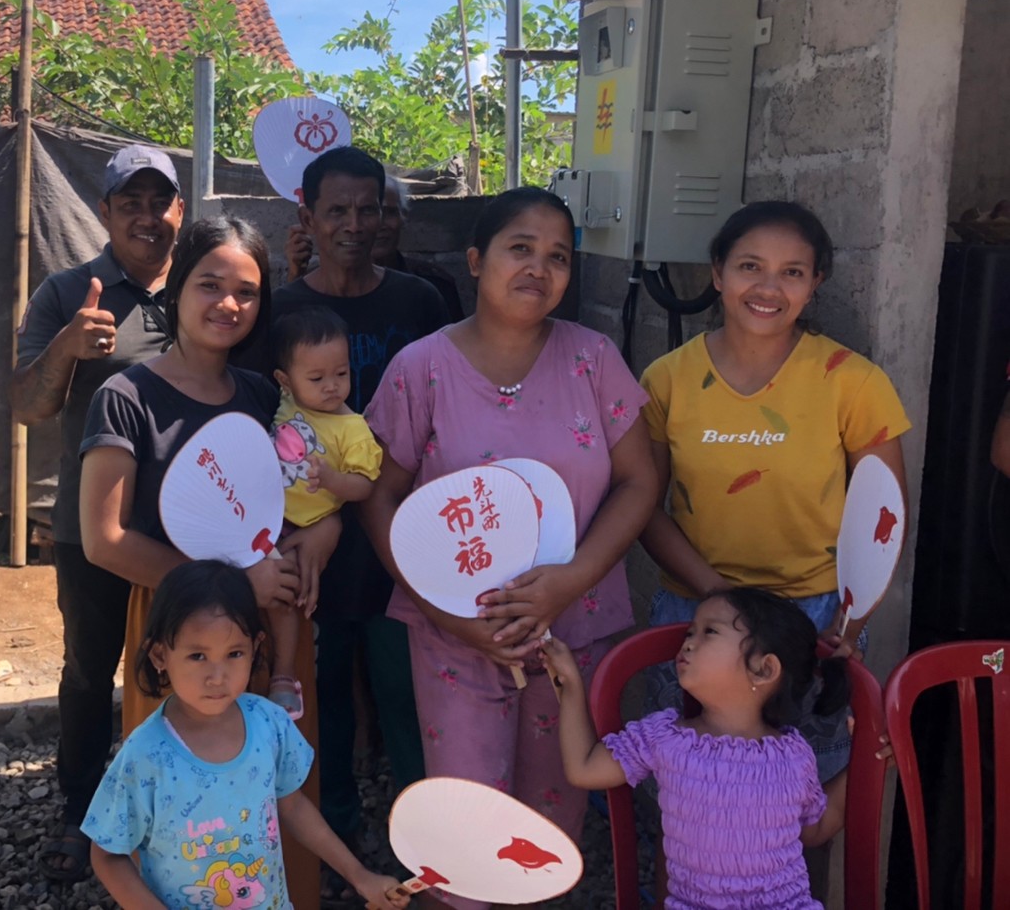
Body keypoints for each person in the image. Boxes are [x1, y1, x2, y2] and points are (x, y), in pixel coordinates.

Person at [362, 187, 657, 910]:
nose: (538, 268)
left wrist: (571, 580)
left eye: (558, 257)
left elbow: (641, 481)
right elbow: (379, 497)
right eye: (519, 248)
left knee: (548, 824)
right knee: (466, 825)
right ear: (475, 261)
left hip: (571, 630)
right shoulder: (422, 368)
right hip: (457, 637)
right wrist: (452, 616)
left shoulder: (593, 359)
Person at [79, 216, 333, 907]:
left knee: (279, 792)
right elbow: (104, 538)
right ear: (176, 289)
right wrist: (236, 584)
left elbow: (314, 494)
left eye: (247, 292)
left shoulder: (266, 397)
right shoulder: (127, 397)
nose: (229, 304)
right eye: (210, 285)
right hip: (180, 633)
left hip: (271, 632)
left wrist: (324, 535)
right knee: (181, 814)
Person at [638, 201, 910, 783]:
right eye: (750, 266)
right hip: (695, 613)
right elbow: (643, 506)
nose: (769, 288)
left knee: (803, 789)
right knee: (685, 788)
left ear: (815, 284)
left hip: (812, 617)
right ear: (717, 273)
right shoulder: (666, 380)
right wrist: (720, 598)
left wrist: (849, 625)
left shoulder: (853, 381)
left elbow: (884, 517)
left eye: (792, 272)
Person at [268, 145, 449, 856]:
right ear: (307, 216)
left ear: (386, 214)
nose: (354, 224)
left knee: (408, 694)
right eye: (336, 210)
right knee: (326, 695)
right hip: (315, 547)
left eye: (368, 209)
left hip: (402, 540)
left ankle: (425, 850)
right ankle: (336, 843)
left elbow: (444, 416)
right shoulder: (281, 311)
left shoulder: (420, 302)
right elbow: (267, 434)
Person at [11, 142, 184, 882]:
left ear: (180, 210)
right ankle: (81, 808)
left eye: (160, 201)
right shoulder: (67, 293)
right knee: (90, 669)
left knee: (191, 662)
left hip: (189, 528)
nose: (147, 216)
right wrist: (65, 349)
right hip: (95, 528)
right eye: (130, 203)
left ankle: (181, 804)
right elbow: (26, 406)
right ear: (106, 212)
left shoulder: (202, 285)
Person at [83, 560, 407, 910]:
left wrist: (360, 876)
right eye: (197, 656)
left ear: (256, 647)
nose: (217, 676)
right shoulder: (146, 754)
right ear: (160, 654)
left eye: (234, 654)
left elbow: (294, 806)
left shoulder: (269, 723)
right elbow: (107, 854)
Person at [544, 588, 852, 910]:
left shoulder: (793, 755)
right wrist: (571, 686)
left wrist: (865, 764)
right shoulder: (665, 737)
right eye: (690, 632)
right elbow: (584, 768)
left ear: (764, 669)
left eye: (710, 632)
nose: (688, 643)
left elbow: (815, 828)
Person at [267, 306, 383, 719]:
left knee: (285, 594)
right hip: (260, 517)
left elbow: (364, 485)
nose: (332, 386)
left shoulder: (352, 428)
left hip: (302, 528)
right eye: (316, 379)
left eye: (341, 373)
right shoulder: (285, 402)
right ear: (285, 381)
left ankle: (284, 676)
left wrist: (333, 479)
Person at [286, 176, 464, 320]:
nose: (379, 224)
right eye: (366, 211)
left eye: (389, 213)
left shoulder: (431, 288)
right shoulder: (317, 285)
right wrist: (295, 275)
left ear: (403, 218)